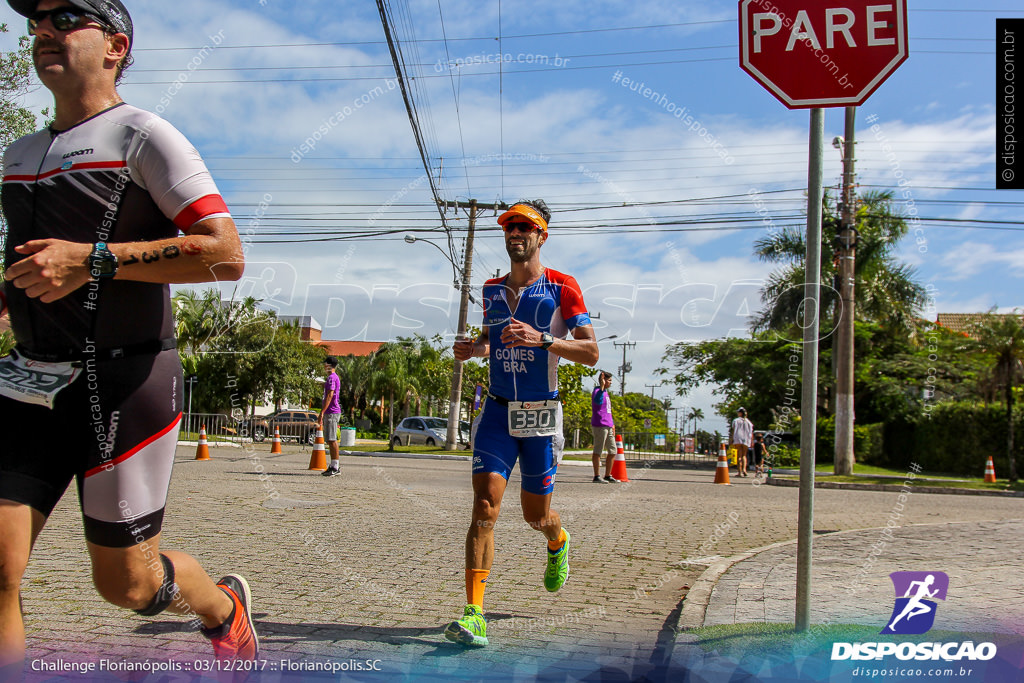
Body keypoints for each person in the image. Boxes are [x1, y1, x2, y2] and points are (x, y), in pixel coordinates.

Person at [0, 0, 257, 673]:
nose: (43, 31)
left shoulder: (144, 135)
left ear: (115, 46)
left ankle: (223, 607)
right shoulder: (18, 155)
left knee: (127, 583)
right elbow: (23, 272)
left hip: (124, 380)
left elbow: (224, 253)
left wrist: (93, 259)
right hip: (29, 379)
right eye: (37, 22)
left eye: (65, 18)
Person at [445, 199, 598, 647]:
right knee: (485, 506)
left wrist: (544, 338)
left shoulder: (563, 288)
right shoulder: (492, 289)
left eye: (525, 227)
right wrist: (470, 348)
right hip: (496, 411)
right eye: (509, 227)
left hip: (541, 414)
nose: (516, 234)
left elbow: (591, 352)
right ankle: (474, 614)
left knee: (535, 516)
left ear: (541, 235)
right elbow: (489, 338)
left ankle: (557, 538)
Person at [591, 370, 618, 483]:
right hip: (600, 425)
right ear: (603, 380)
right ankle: (597, 476)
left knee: (613, 451)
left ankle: (608, 475)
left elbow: (608, 411)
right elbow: (597, 401)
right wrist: (601, 386)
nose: (611, 382)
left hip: (608, 425)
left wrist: (612, 424)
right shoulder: (597, 391)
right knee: (598, 450)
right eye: (609, 380)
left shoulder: (606, 393)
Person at [320, 356, 342, 477]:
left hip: (332, 411)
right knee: (329, 439)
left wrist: (322, 411)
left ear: (328, 365)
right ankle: (333, 465)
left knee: (332, 439)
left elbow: (330, 395)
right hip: (331, 411)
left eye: (325, 365)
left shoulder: (331, 378)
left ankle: (335, 466)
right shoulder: (332, 378)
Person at [730, 408, 754, 477]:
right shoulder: (749, 422)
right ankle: (744, 469)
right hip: (746, 439)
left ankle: (739, 472)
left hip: (738, 438)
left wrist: (731, 439)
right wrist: (752, 441)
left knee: (739, 456)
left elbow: (733, 430)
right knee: (744, 455)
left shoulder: (736, 420)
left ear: (740, 413)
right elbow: (751, 432)